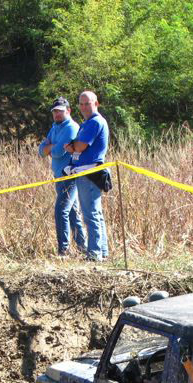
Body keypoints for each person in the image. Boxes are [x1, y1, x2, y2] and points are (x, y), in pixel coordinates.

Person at [64, 90, 110, 261]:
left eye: (87, 103)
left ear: (96, 104)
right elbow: (77, 146)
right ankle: (102, 251)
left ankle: (95, 254)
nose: (84, 107)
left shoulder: (94, 122)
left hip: (89, 172)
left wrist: (73, 147)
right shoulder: (87, 123)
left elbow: (81, 146)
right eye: (81, 104)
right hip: (86, 171)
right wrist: (74, 147)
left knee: (91, 214)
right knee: (95, 213)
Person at [38, 96, 86, 256]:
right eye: (54, 112)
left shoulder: (71, 127)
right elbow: (40, 151)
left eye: (60, 111)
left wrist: (49, 147)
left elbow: (57, 152)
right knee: (72, 212)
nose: (57, 115)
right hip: (59, 176)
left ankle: (63, 251)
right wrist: (50, 147)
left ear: (68, 111)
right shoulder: (54, 127)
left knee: (61, 211)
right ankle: (82, 248)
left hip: (69, 175)